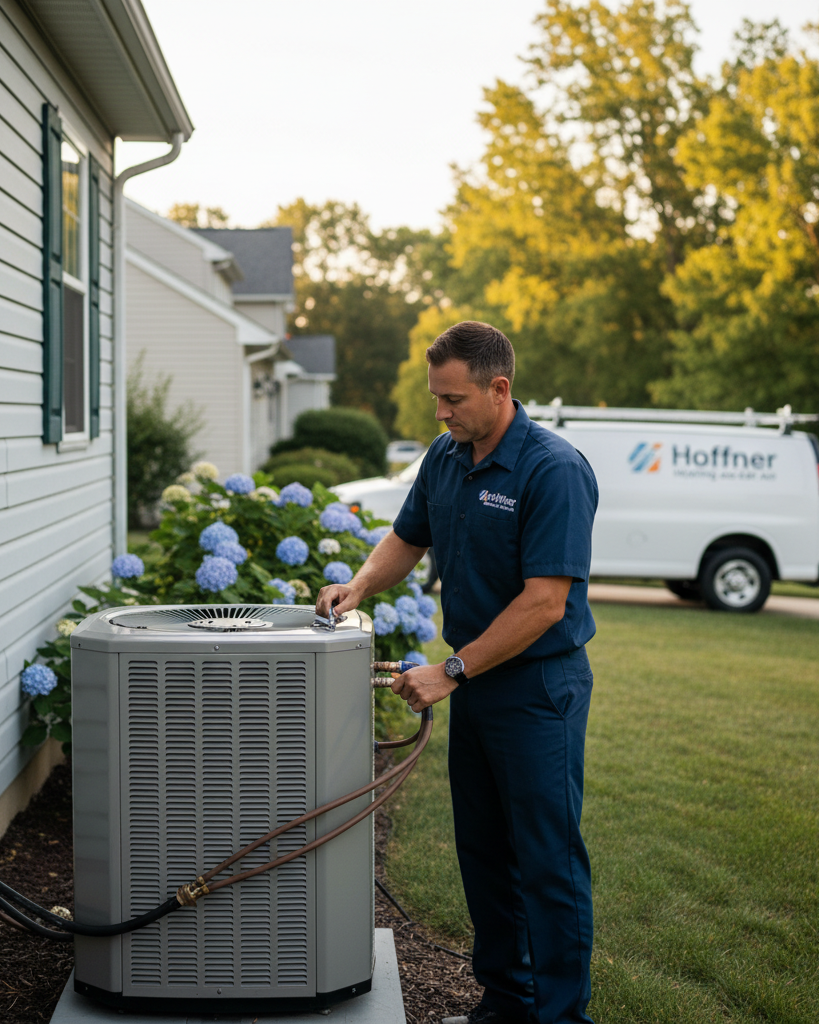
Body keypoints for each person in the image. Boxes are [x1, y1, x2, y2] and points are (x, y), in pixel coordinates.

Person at [316, 321, 599, 1024]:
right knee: (483, 853)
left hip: (537, 690)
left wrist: (451, 670)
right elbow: (409, 536)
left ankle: (561, 1018)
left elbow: (544, 603)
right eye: (437, 399)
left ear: (499, 390)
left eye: (453, 399)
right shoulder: (447, 457)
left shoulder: (552, 469)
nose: (440, 415)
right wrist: (359, 586)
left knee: (547, 863)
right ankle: (505, 1004)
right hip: (476, 684)